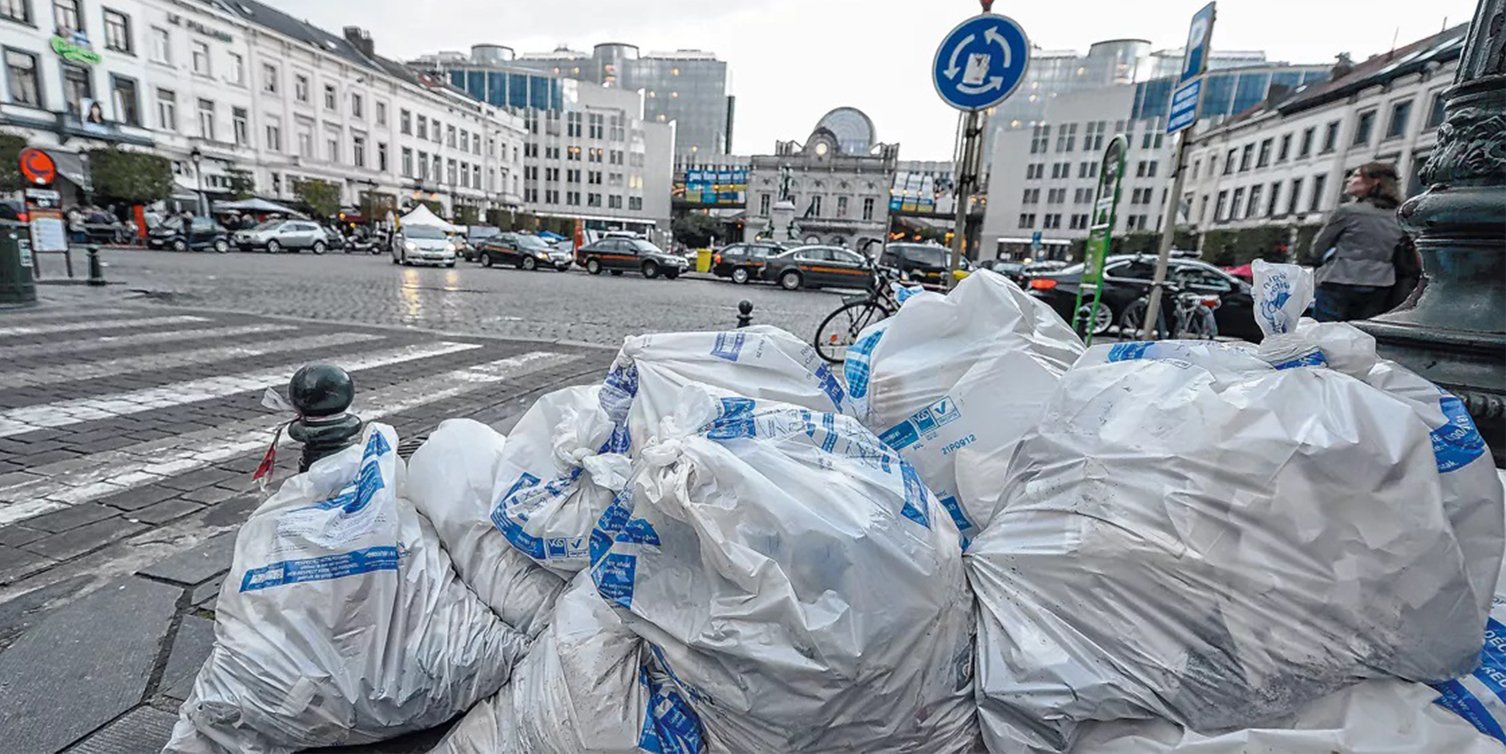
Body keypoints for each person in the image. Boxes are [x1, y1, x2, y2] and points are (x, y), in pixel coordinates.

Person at [1306, 161, 1406, 322]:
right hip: (1381, 283)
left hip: (1339, 278)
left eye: (1357, 175)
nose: (1349, 180)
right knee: (1361, 335)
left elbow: (1318, 249)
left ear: (1375, 182)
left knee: (1325, 334)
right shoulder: (1399, 215)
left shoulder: (1347, 212)